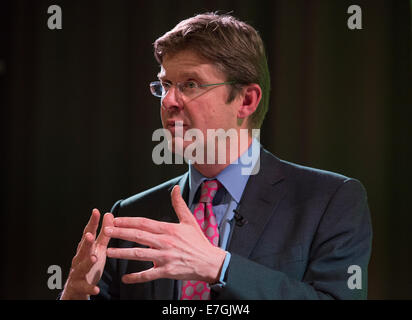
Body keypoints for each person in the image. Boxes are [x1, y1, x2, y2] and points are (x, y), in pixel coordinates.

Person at [60, 12, 372, 300]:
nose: (169, 100)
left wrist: (220, 267)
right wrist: (74, 296)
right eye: (165, 84)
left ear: (246, 100)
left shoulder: (330, 201)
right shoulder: (131, 216)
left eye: (190, 84)